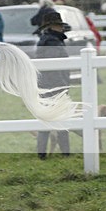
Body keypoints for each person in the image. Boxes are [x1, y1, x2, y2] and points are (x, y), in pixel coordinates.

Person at [35, 11, 71, 159]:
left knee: (46, 120)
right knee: (60, 120)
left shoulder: (47, 41)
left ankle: (42, 152)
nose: (61, 28)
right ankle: (65, 152)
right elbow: (55, 70)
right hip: (55, 86)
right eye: (58, 25)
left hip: (46, 86)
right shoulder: (53, 43)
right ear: (52, 26)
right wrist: (63, 86)